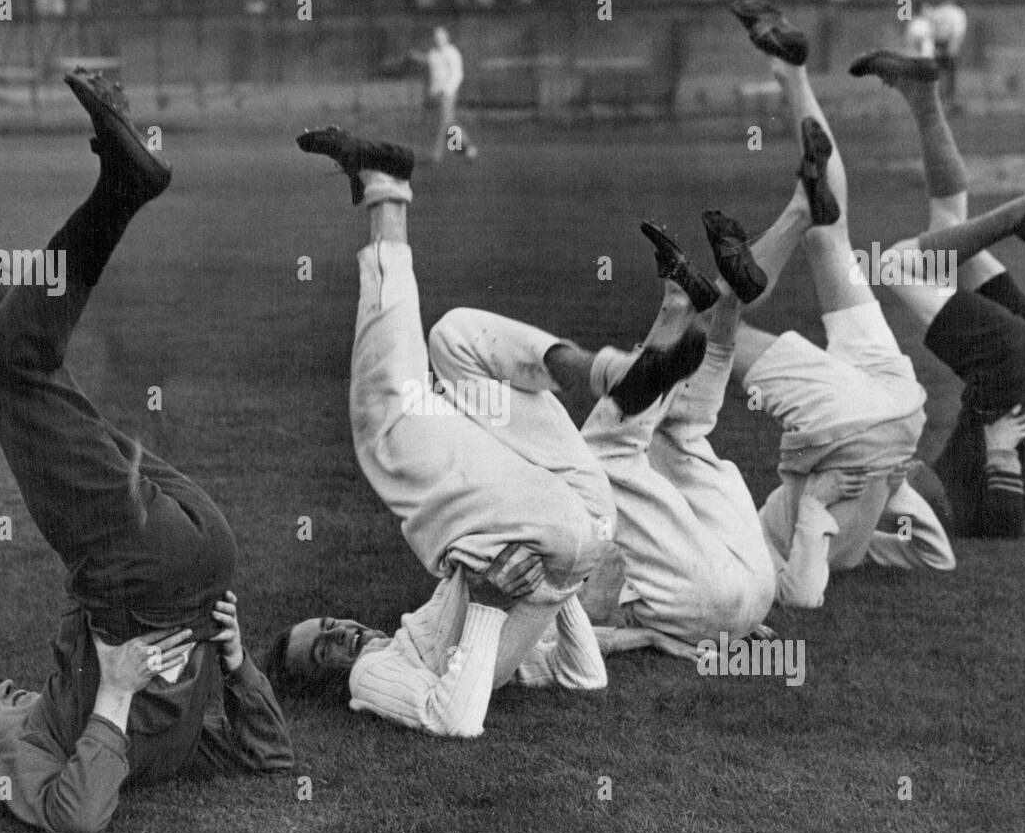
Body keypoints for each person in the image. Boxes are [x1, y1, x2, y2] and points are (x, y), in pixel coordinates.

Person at [0, 68, 293, 833]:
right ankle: (118, 186)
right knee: (11, 368)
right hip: (146, 573)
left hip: (187, 548)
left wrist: (168, 679)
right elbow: (84, 815)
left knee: (29, 360)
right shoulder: (22, 757)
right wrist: (230, 662)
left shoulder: (81, 726)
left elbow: (261, 759)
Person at [271, 125, 706, 735]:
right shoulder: (371, 679)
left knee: (455, 342)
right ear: (325, 681)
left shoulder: (414, 633)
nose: (339, 635)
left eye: (325, 626)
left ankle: (610, 373)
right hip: (537, 540)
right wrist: (494, 607)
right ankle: (385, 189)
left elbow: (584, 678)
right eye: (322, 651)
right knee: (384, 419)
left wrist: (561, 591)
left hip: (575, 517)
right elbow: (453, 719)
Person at [726, 0, 956, 608]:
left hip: (903, 416)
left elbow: (939, 556)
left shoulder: (871, 525)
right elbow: (802, 595)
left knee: (834, 235)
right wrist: (823, 512)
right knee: (707, 337)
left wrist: (895, 485)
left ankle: (792, 76)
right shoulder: (812, 547)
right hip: (851, 425)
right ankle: (795, 207)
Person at [849, 49, 1025, 537]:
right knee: (894, 264)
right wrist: (1003, 449)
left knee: (949, 231)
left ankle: (922, 93)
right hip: (1012, 366)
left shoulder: (950, 482)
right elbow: (1006, 523)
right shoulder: (953, 497)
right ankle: (1023, 211)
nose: (895, 479)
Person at [565, 214, 779, 656]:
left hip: (734, 599)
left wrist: (650, 636)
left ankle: (692, 305)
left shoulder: (539, 587)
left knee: (635, 451)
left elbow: (575, 638)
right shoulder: (572, 564)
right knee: (666, 440)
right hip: (743, 588)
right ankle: (710, 304)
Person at [411, 26, 477, 163]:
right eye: (436, 37)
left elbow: (457, 74)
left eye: (441, 37)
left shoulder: (452, 53)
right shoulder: (434, 53)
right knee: (450, 122)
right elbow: (427, 60)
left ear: (446, 38)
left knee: (443, 123)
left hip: (448, 94)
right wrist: (415, 56)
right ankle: (467, 149)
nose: (438, 40)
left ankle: (436, 155)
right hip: (436, 94)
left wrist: (447, 91)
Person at [927, 0, 967, 108]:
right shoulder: (957, 12)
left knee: (939, 72)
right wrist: (954, 45)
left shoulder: (937, 11)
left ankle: (941, 99)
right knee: (949, 73)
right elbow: (958, 30)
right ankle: (948, 99)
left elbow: (931, 28)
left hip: (938, 42)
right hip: (948, 42)